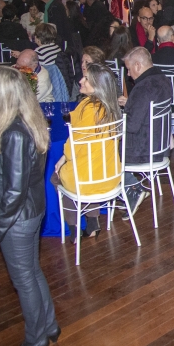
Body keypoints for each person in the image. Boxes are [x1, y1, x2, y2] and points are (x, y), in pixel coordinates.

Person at [0, 66, 59, 346]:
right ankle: (49, 325)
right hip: (30, 212)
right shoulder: (26, 121)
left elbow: (14, 190)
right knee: (32, 273)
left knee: (24, 281)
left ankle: (35, 338)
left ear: (2, 95)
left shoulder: (13, 132)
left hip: (17, 218)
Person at [55, 62, 121, 241]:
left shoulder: (88, 109)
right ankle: (92, 223)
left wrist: (63, 158)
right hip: (111, 175)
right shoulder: (111, 107)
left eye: (86, 79)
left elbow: (73, 148)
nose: (80, 81)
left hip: (87, 182)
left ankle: (74, 228)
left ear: (97, 85)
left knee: (57, 175)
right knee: (90, 167)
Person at [118, 47, 173, 213]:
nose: (128, 74)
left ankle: (133, 188)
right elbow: (148, 109)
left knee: (104, 151)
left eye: (129, 69)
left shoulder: (142, 87)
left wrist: (114, 123)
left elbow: (131, 126)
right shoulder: (163, 79)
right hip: (161, 144)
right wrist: (130, 103)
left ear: (137, 65)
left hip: (144, 150)